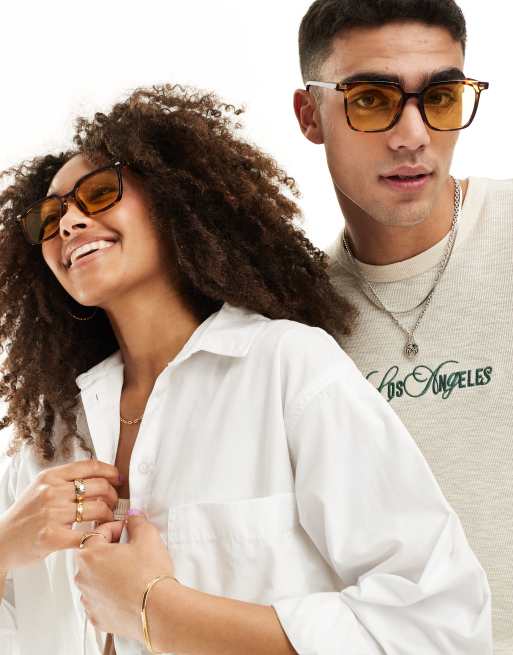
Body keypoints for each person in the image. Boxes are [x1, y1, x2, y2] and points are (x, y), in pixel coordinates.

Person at [0, 84, 491, 655]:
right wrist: (6, 543)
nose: (68, 224)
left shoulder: (287, 370)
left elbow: (439, 621)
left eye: (99, 192)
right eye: (49, 218)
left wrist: (157, 612)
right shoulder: (48, 438)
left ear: (173, 198)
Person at [293, 0, 512, 652]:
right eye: (370, 100)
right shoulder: (295, 324)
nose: (412, 135)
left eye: (440, 97)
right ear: (309, 115)